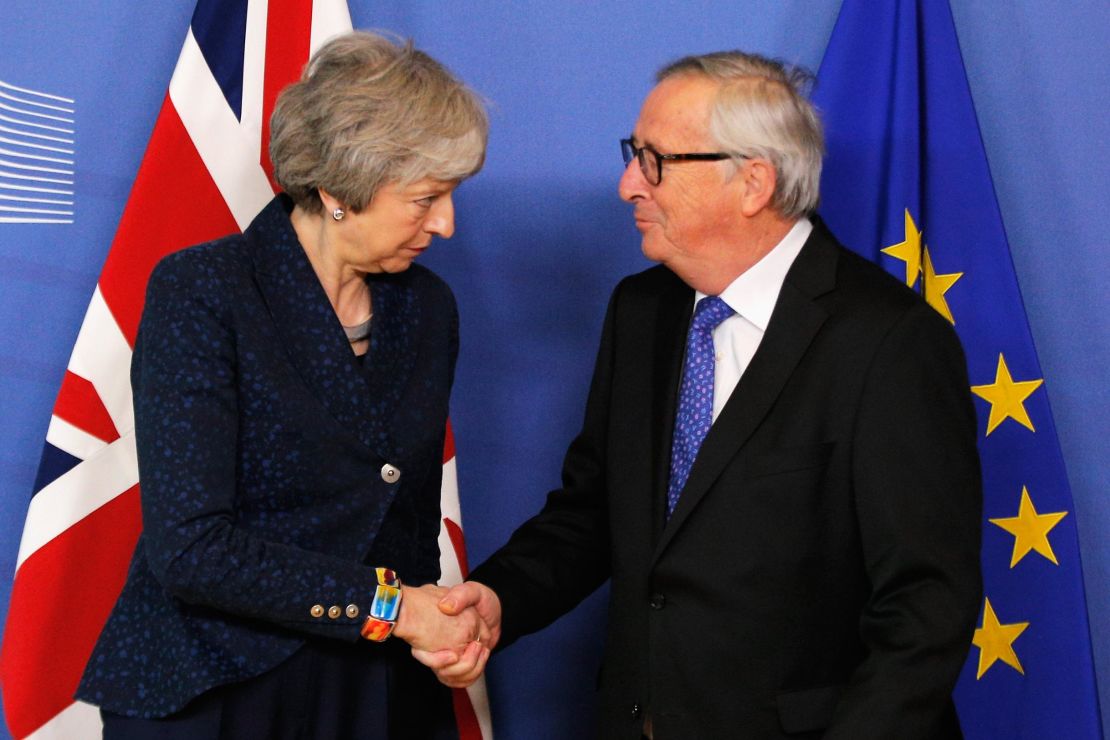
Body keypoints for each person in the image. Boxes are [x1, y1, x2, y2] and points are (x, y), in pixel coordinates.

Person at [417, 51, 983, 739]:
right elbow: (595, 512)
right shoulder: (641, 310)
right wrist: (501, 599)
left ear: (752, 182)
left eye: (655, 159)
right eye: (634, 153)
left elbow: (925, 609)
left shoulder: (888, 342)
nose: (628, 183)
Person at [77, 31, 489, 739]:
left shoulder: (426, 307)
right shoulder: (204, 290)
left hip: (379, 682)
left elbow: (405, 521)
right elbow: (192, 549)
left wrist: (447, 622)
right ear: (337, 192)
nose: (445, 224)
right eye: (426, 199)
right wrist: (392, 609)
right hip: (219, 681)